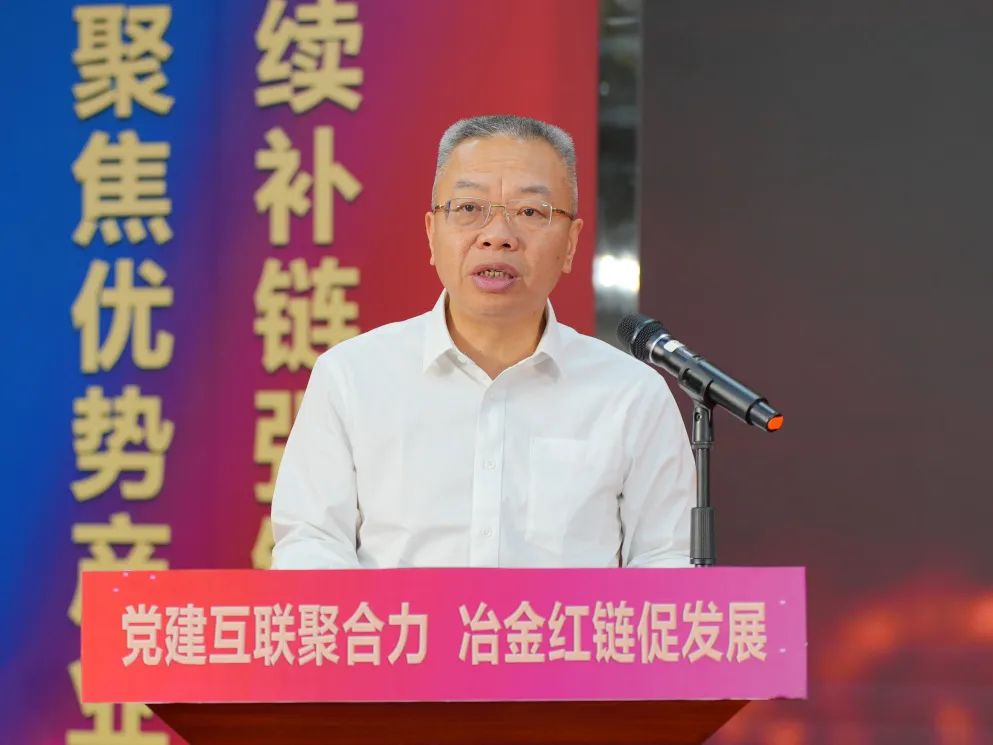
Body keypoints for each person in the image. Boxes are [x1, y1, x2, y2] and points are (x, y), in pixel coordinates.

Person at [270, 114, 694, 569]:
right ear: (432, 234)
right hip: (399, 621)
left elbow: (667, 559)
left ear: (571, 244)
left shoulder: (631, 395)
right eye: (469, 208)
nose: (497, 237)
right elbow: (311, 545)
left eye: (530, 212)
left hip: (567, 622)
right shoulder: (352, 377)